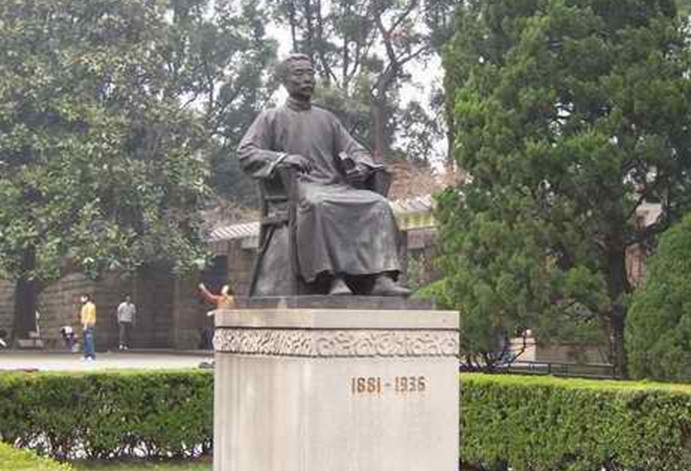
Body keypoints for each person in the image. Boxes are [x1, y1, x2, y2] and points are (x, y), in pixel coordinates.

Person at [237, 53, 410, 297]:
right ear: (285, 81)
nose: (307, 79)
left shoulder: (327, 119)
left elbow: (356, 150)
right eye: (299, 74)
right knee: (320, 204)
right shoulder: (271, 117)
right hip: (300, 188)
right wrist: (283, 158)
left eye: (310, 73)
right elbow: (246, 152)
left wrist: (362, 165)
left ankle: (381, 277)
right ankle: (331, 278)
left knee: (378, 204)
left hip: (335, 185)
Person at [79, 294, 96, 361]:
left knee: (89, 340)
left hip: (89, 324)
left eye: (82, 298)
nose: (81, 300)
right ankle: (85, 355)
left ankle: (91, 355)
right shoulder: (84, 306)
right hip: (85, 324)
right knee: (85, 341)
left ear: (86, 298)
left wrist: (86, 324)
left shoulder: (90, 305)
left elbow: (89, 315)